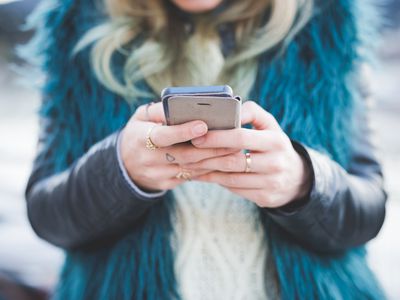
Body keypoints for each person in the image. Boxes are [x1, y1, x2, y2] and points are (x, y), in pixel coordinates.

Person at [25, 0, 387, 299]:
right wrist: (118, 169)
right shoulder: (77, 27)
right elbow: (47, 216)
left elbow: (368, 212)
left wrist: (304, 182)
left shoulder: (329, 23)